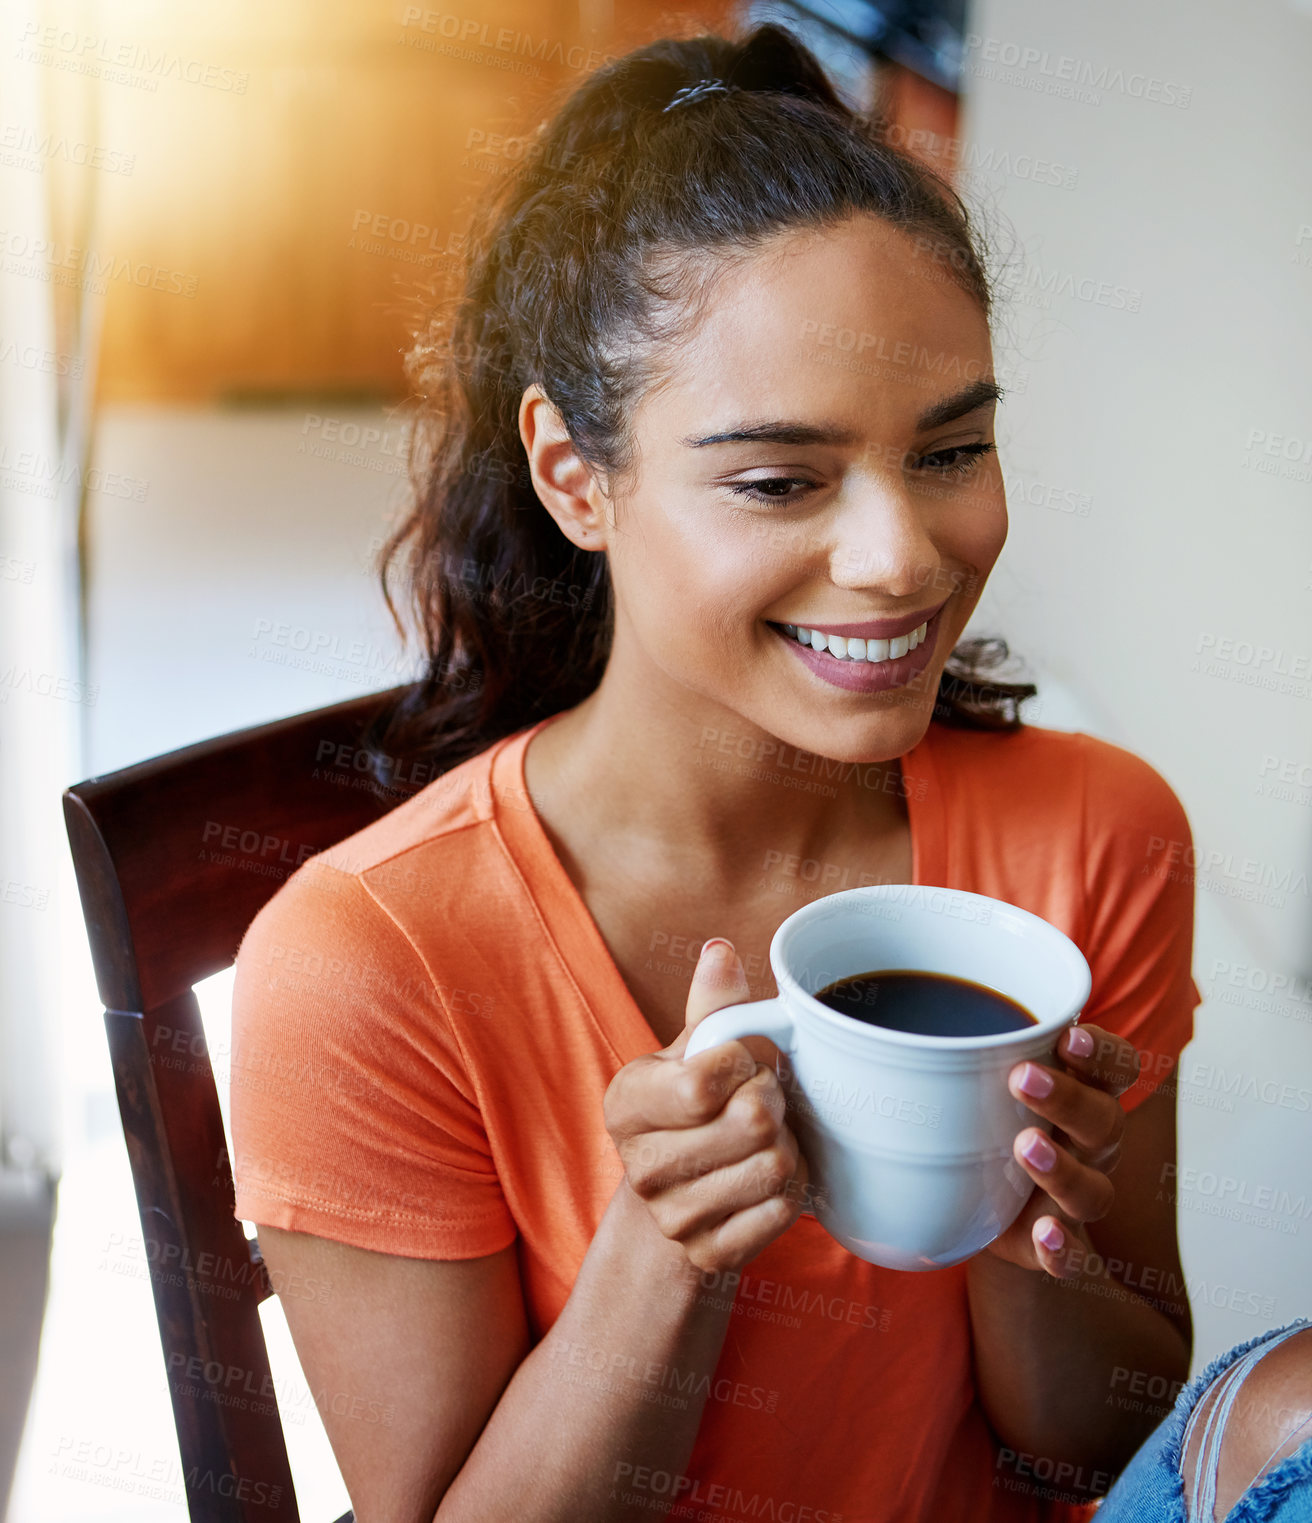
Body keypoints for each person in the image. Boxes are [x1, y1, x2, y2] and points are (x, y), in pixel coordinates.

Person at [229, 24, 1203, 1522]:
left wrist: (1022, 1222)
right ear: (576, 477)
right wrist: (666, 1253)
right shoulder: (370, 962)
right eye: (777, 480)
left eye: (950, 451)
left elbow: (1089, 1451)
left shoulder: (1093, 841)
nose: (902, 560)